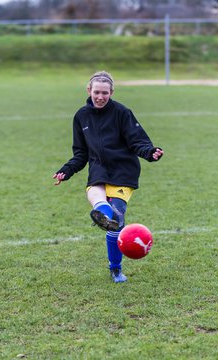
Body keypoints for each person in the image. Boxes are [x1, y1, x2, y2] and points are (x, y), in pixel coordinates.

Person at [53, 71, 164, 283]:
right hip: (98, 170)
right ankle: (102, 215)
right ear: (89, 91)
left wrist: (150, 152)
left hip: (123, 172)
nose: (100, 97)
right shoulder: (81, 116)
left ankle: (115, 268)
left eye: (105, 93)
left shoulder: (122, 112)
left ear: (111, 92)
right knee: (96, 197)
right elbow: (81, 153)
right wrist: (66, 171)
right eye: (97, 92)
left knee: (117, 219)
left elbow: (137, 141)